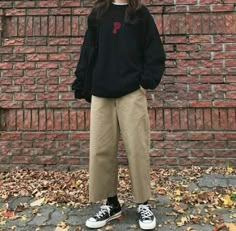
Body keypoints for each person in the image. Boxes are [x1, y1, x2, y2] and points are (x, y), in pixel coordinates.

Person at [73, 0, 166, 229]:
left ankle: (143, 203)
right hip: (101, 92)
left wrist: (146, 82)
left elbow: (154, 50)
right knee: (100, 150)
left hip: (131, 92)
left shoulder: (140, 14)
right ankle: (111, 203)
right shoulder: (98, 13)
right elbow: (89, 50)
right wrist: (83, 82)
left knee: (137, 148)